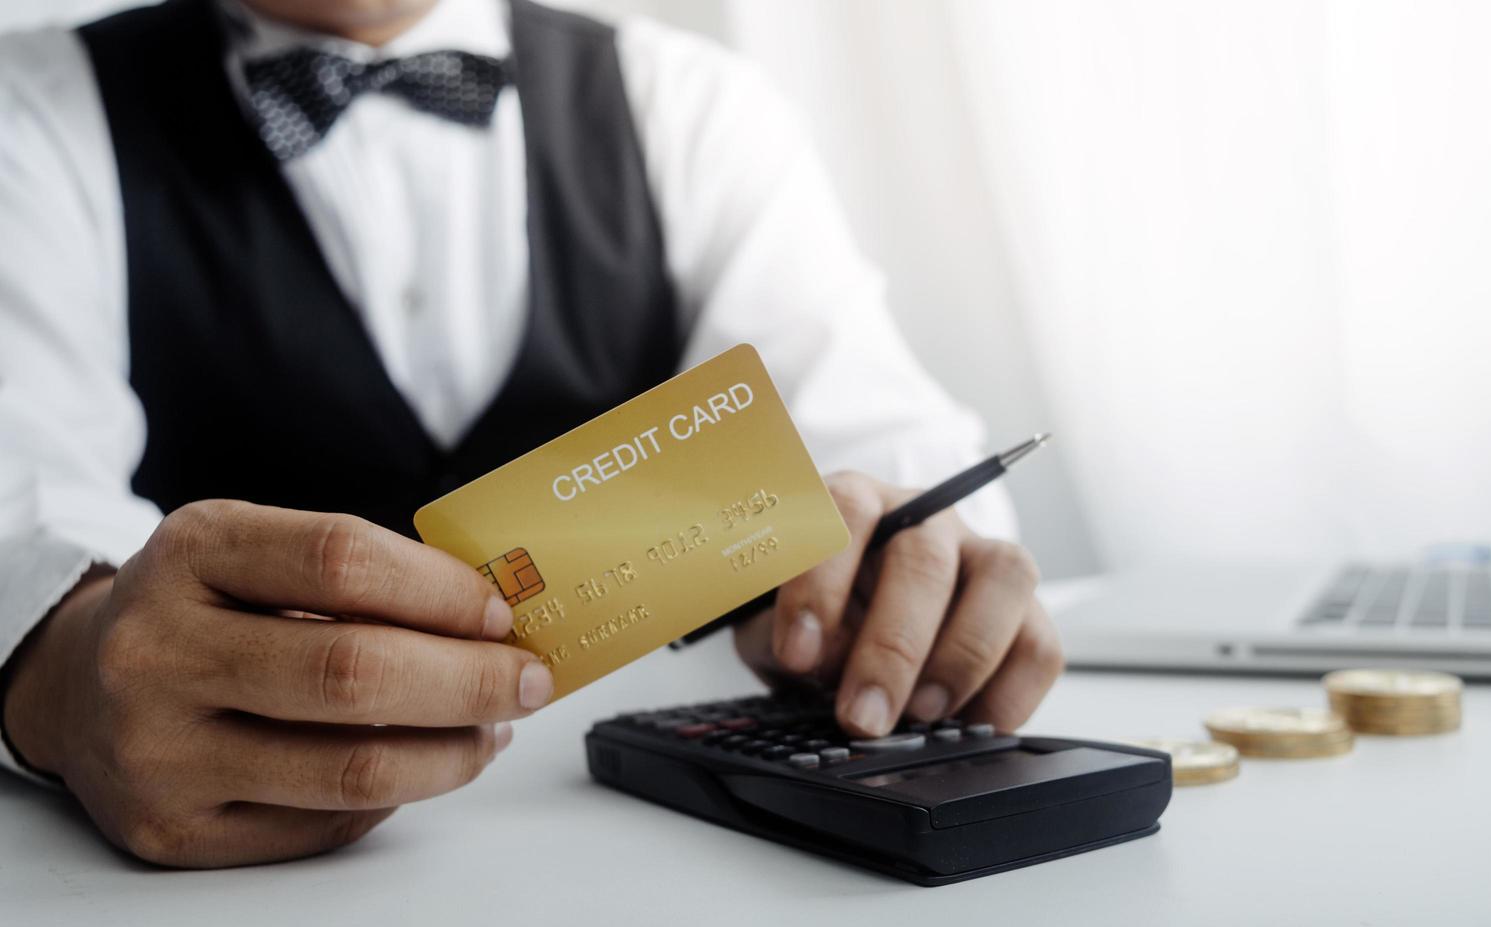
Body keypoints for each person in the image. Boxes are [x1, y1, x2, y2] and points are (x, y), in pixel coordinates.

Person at [0, 0, 1063, 869]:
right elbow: (21, 493)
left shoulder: (691, 103)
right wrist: (61, 672)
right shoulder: (27, 110)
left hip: (649, 861)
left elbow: (874, 439)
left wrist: (886, 573)